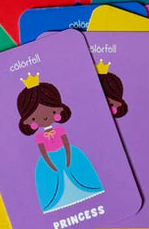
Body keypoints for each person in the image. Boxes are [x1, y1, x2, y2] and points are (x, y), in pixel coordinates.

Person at [17, 74, 104, 213]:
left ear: (58, 110)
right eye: (34, 117)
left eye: (51, 111)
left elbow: (66, 144)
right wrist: (50, 164)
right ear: (28, 121)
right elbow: (43, 152)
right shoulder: (40, 137)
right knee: (52, 180)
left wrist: (69, 158)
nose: (45, 117)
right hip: (50, 160)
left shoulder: (60, 130)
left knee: (78, 173)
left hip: (67, 154)